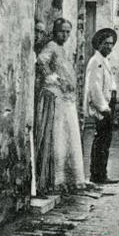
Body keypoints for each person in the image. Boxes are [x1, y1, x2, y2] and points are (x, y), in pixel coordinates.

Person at [35, 18, 86, 193]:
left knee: (69, 135)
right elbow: (41, 62)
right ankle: (57, 179)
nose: (64, 35)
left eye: (67, 32)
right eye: (61, 31)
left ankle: (70, 178)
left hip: (67, 99)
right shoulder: (51, 46)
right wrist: (57, 80)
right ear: (55, 31)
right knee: (59, 136)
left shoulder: (62, 49)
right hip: (57, 98)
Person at [84, 27, 119, 185]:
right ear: (99, 44)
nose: (109, 47)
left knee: (106, 139)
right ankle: (97, 174)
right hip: (103, 106)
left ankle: (101, 172)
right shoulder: (96, 62)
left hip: (109, 103)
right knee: (101, 139)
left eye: (111, 44)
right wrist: (104, 108)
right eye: (106, 44)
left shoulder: (104, 61)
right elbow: (94, 87)